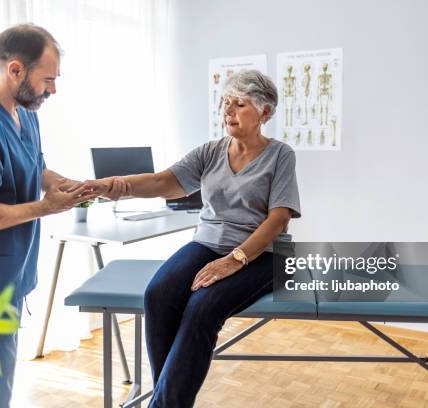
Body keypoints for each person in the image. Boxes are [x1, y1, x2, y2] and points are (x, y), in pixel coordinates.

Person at [0, 24, 115, 407]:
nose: (53, 89)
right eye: (47, 79)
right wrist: (46, 208)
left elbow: (35, 167)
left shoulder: (24, 111)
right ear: (15, 70)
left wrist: (67, 186)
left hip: (7, 277)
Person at [100, 69, 301, 407]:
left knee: (202, 308)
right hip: (207, 243)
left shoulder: (281, 155)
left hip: (263, 255)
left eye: (239, 104)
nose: (228, 112)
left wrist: (233, 260)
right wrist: (116, 186)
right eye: (226, 103)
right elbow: (164, 181)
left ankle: (163, 403)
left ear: (264, 113)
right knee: (159, 294)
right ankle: (169, 400)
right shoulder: (210, 151)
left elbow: (278, 219)